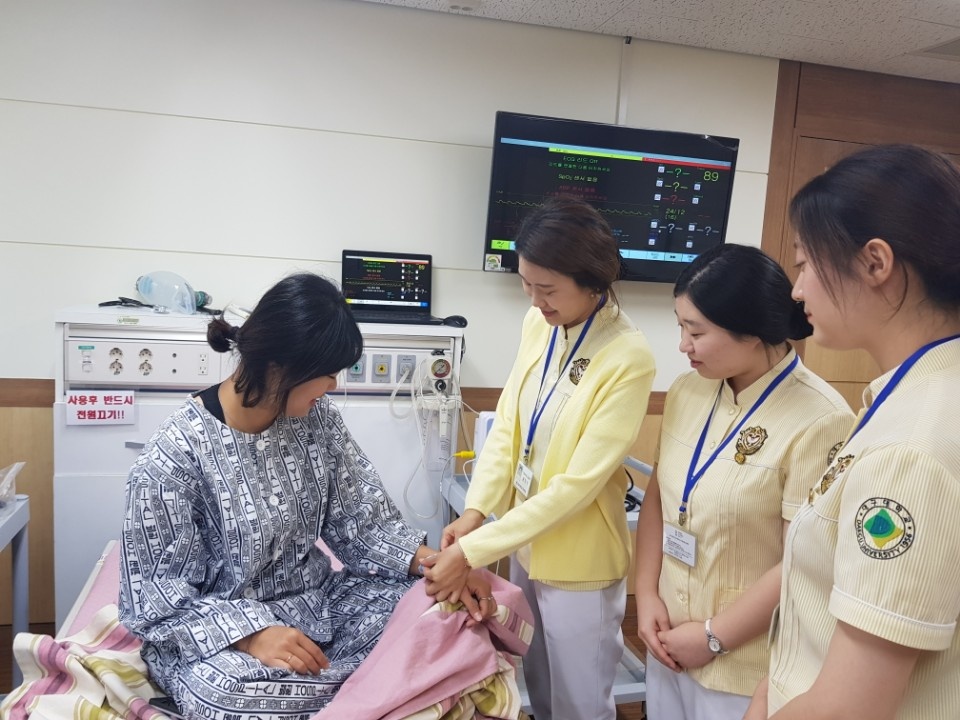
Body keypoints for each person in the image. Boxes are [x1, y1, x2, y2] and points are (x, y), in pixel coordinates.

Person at [118, 272, 496, 720]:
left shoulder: (319, 421)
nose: (332, 386)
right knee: (224, 694)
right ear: (279, 368)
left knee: (443, 611)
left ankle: (345, 689)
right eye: (327, 374)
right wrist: (253, 636)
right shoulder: (174, 456)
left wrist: (440, 566)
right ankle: (373, 688)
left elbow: (363, 523)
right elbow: (157, 598)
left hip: (318, 604)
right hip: (224, 638)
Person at [421, 195, 657, 720]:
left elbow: (577, 487)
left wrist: (476, 549)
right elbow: (508, 424)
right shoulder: (540, 324)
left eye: (546, 289)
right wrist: (476, 511)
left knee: (580, 704)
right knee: (541, 689)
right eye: (526, 284)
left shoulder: (628, 356)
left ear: (592, 281)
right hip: (527, 546)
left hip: (580, 563)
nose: (534, 300)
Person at [746, 145, 960, 719]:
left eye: (805, 264)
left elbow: (848, 708)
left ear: (874, 263)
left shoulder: (910, 449)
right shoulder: (917, 397)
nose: (797, 290)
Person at [634, 243, 854, 720]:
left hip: (745, 665)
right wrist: (647, 593)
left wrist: (713, 636)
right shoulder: (688, 390)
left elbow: (802, 559)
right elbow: (660, 498)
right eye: (680, 327)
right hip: (669, 635)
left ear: (752, 332)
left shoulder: (821, 419)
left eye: (696, 331)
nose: (683, 345)